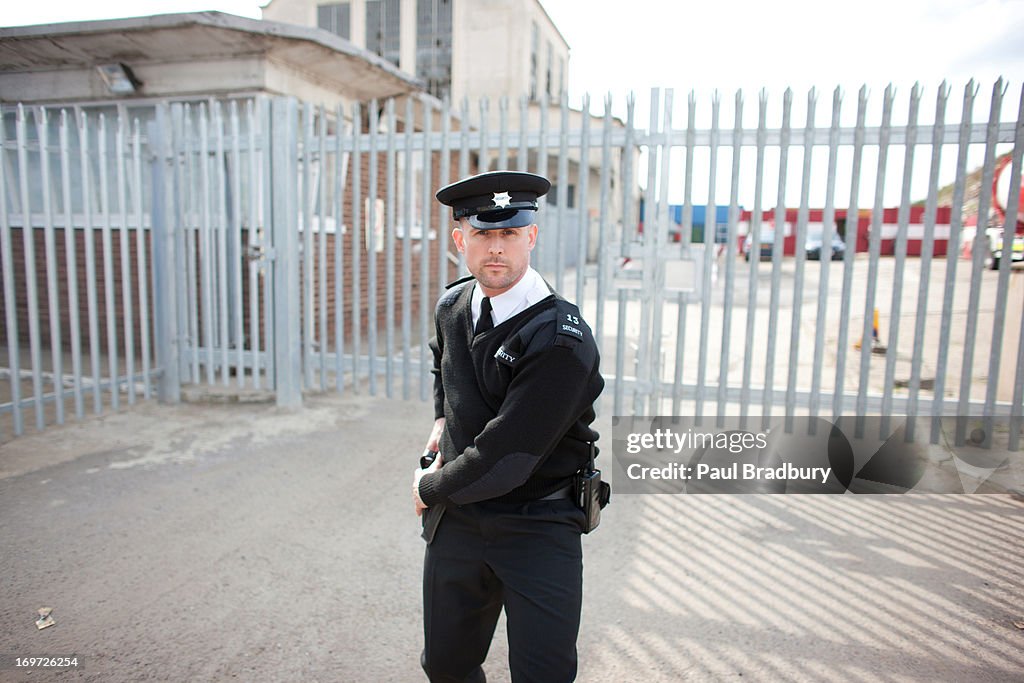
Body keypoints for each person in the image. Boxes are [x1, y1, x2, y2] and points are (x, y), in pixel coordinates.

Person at [412, 170, 605, 683]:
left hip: (537, 522)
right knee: (447, 665)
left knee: (543, 674)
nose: (496, 249)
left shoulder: (561, 339)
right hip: (461, 522)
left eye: (510, 234)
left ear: (532, 238)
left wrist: (428, 487)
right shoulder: (452, 305)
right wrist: (440, 419)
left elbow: (508, 457)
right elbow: (443, 362)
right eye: (483, 234)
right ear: (461, 240)